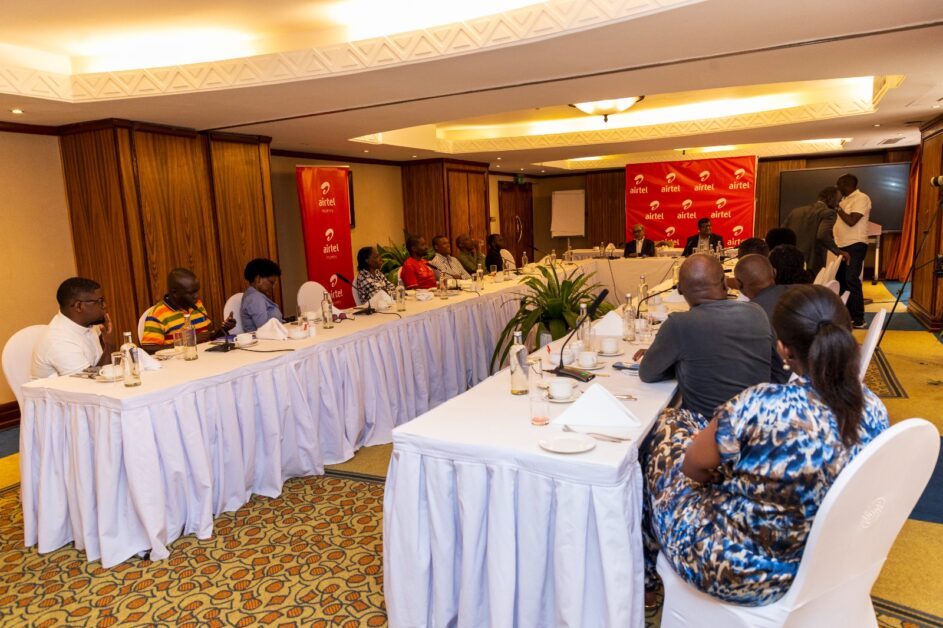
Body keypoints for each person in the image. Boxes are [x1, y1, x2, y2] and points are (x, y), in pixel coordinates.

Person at [641, 285, 888, 605]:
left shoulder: (760, 405)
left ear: (784, 348)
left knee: (666, 432)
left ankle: (644, 576)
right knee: (693, 428)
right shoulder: (873, 407)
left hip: (735, 571)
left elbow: (693, 468)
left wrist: (719, 476)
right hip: (824, 564)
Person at [634, 254, 774, 420]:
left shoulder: (679, 324)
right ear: (724, 283)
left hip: (707, 433)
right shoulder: (757, 312)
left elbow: (647, 374)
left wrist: (672, 360)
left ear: (679, 289)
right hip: (758, 427)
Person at [31, 277, 114, 378]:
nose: (104, 305)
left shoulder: (90, 326)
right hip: (69, 391)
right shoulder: (59, 340)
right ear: (79, 306)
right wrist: (109, 347)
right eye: (100, 301)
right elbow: (89, 383)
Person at [141, 268, 235, 353]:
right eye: (191, 293)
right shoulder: (157, 314)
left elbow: (208, 336)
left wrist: (224, 329)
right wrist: (188, 341)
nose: (196, 296)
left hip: (205, 358)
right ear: (175, 293)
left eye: (197, 291)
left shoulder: (197, 304)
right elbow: (148, 349)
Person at [733, 254, 791, 383]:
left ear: (738, 284)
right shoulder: (801, 291)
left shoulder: (747, 316)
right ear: (774, 272)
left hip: (780, 389)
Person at [782, 186, 850, 277]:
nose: (838, 204)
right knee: (810, 288)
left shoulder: (796, 211)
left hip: (790, 258)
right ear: (830, 199)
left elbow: (782, 232)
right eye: (838, 201)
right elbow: (823, 235)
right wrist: (838, 252)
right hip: (812, 261)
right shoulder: (829, 213)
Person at [834, 174, 871, 328]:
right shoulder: (844, 200)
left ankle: (859, 319)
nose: (837, 188)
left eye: (839, 185)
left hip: (855, 244)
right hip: (842, 245)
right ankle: (846, 316)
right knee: (841, 280)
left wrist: (837, 208)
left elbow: (851, 221)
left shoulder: (861, 198)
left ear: (847, 184)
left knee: (851, 279)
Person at [240, 258, 283, 332]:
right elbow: (265, 328)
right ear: (258, 279)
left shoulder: (255, 296)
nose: (272, 287)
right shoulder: (255, 298)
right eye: (271, 282)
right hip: (265, 341)